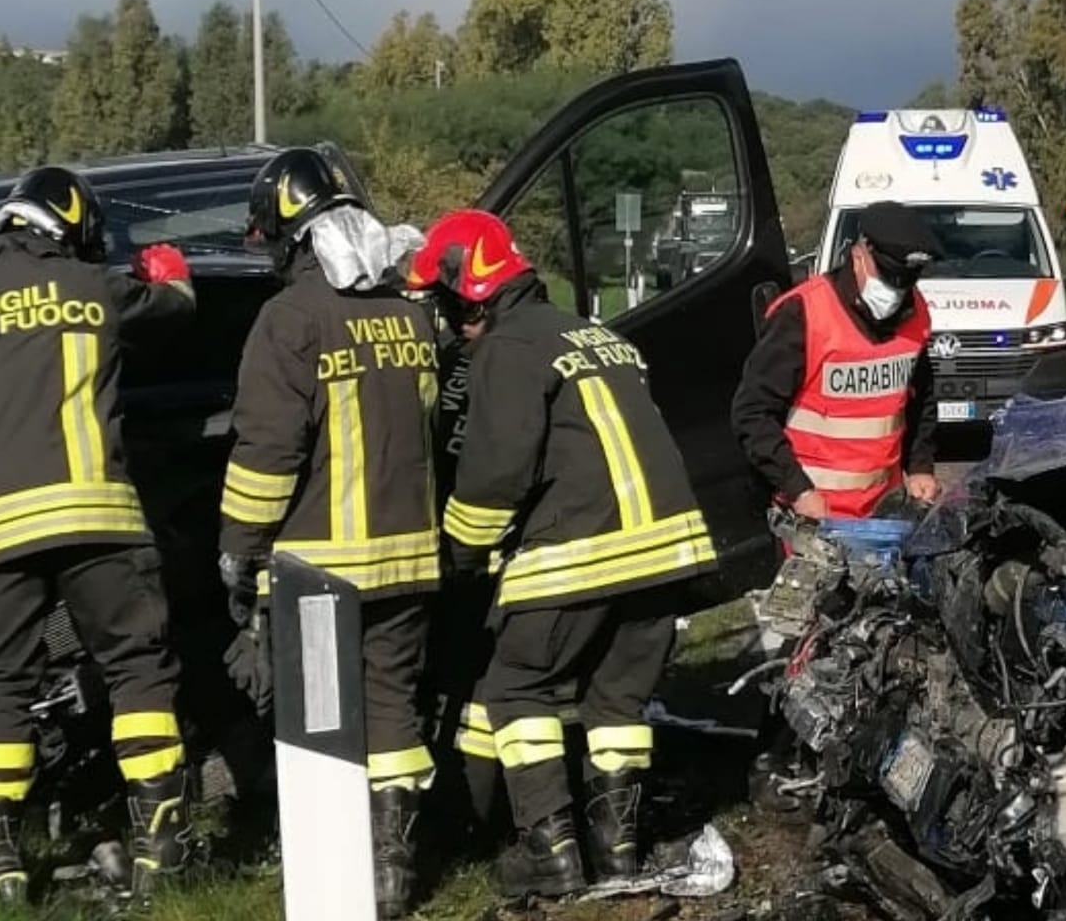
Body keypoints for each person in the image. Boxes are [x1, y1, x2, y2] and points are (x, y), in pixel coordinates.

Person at [0, 166, 197, 903]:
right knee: (136, 671)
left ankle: (3, 866)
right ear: (72, 227)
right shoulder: (95, 289)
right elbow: (176, 309)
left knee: (0, 691)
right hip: (100, 526)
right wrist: (167, 267)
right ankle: (161, 841)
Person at [435, 211, 716, 898]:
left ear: (469, 295)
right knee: (616, 702)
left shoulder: (503, 351)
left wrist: (460, 554)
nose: (449, 326)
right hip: (666, 553)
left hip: (581, 553)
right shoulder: (597, 334)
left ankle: (549, 851)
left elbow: (496, 474)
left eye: (446, 308)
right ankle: (616, 854)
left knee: (516, 687)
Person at [215, 147, 438, 919]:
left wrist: (237, 549)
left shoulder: (289, 320)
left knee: (320, 728)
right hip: (409, 561)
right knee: (393, 713)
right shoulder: (410, 314)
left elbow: (267, 455)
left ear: (287, 234)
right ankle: (394, 875)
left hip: (321, 576)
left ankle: (332, 884)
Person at [731, 200, 945, 521]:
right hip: (809, 515)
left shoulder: (916, 313)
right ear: (859, 255)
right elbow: (753, 412)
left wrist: (919, 467)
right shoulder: (803, 313)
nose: (897, 290)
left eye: (906, 280)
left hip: (881, 515)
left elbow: (921, 398)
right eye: (888, 277)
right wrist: (798, 489)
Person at [401, 211, 506, 846]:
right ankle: (462, 811)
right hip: (453, 544)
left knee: (477, 686)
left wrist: (462, 549)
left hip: (473, 548)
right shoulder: (447, 356)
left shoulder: (502, 360)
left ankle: (469, 816)